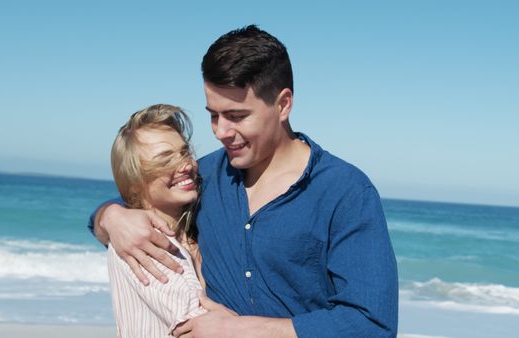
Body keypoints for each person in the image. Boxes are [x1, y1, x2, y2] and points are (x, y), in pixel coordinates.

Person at [90, 25, 398, 337]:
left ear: (282, 105)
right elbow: (140, 198)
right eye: (214, 115)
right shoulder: (204, 175)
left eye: (236, 116)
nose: (220, 131)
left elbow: (372, 323)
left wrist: (241, 330)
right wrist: (110, 218)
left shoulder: (345, 191)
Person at [105, 104, 207, 337]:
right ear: (134, 182)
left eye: (184, 152)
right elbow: (201, 326)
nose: (186, 165)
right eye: (164, 160)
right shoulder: (141, 240)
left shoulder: (193, 228)